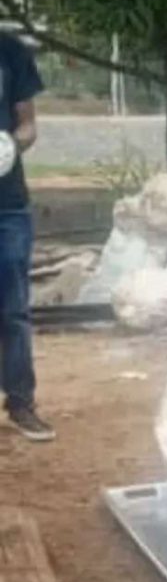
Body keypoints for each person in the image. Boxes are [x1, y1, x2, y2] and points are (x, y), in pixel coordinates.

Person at [0, 32, 50, 442]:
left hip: (8, 206)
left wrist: (12, 144)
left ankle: (20, 402)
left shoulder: (10, 51)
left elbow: (29, 124)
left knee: (14, 310)